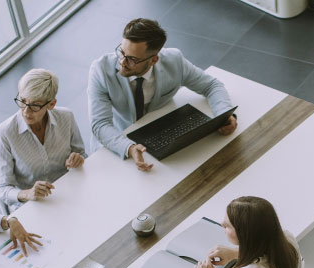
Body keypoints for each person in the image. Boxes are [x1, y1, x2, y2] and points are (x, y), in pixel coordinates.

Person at [88, 18, 237, 172]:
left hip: (162, 131)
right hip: (120, 138)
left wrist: (224, 115)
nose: (123, 62)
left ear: (154, 59)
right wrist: (129, 148)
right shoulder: (100, 70)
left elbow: (211, 85)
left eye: (132, 59)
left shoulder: (174, 61)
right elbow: (100, 124)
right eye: (122, 52)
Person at [0, 68, 87, 214]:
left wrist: (78, 159)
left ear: (51, 104)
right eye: (22, 101)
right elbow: (3, 189)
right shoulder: (5, 133)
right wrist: (27, 193)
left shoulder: (67, 117)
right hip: (31, 207)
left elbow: (81, 153)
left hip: (68, 193)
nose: (26, 112)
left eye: (35, 105)